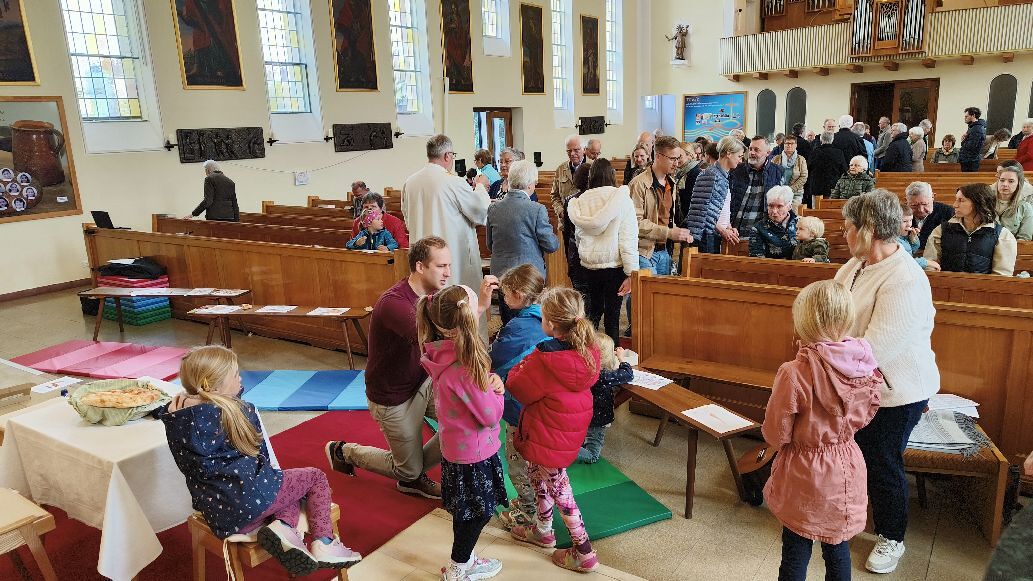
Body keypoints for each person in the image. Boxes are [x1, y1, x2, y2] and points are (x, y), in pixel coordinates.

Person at [157, 346, 361, 576]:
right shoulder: (241, 412)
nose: (240, 378)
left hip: (220, 514)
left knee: (287, 487)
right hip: (252, 501)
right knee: (313, 478)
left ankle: (283, 528)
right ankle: (324, 543)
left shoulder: (175, 419)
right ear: (213, 385)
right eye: (235, 374)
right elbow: (259, 455)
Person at [325, 237, 498, 499]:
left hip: (424, 381)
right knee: (408, 471)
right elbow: (441, 337)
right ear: (420, 266)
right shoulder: (394, 303)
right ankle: (345, 452)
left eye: (449, 265)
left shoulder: (435, 296)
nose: (448, 273)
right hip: (393, 397)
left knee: (468, 420)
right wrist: (480, 307)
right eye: (441, 266)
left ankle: (417, 472)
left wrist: (479, 307)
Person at [833, 189, 940, 574]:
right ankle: (851, 514)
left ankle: (892, 537)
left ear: (869, 229)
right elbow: (833, 310)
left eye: (849, 227)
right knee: (853, 454)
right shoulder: (855, 265)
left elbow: (875, 349)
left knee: (882, 460)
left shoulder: (905, 278)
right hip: (854, 384)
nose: (844, 233)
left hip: (897, 391)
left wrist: (823, 360)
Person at [763, 280, 882, 581]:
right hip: (847, 464)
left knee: (796, 548)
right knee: (837, 546)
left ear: (803, 321)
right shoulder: (863, 365)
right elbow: (868, 412)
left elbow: (777, 432)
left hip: (806, 471)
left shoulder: (795, 372)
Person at [507, 288, 601, 573]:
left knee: (561, 490)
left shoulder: (546, 358)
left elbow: (517, 386)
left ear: (549, 323)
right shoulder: (588, 349)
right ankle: (543, 529)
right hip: (566, 428)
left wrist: (520, 367)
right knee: (539, 476)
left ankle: (583, 550)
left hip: (547, 431)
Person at [416, 284, 506, 581]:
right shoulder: (466, 367)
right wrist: (498, 389)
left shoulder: (440, 353)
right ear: (467, 320)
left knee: (465, 511)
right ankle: (459, 567)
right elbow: (490, 414)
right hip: (475, 455)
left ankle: (465, 559)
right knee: (479, 513)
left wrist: (487, 379)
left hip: (456, 451)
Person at [489, 265, 547, 532]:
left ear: (520, 294)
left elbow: (494, 358)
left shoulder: (518, 326)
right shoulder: (545, 318)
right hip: (541, 405)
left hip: (519, 408)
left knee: (518, 462)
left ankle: (527, 512)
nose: (503, 298)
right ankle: (537, 504)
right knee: (537, 463)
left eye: (506, 293)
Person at [402, 135, 490, 292]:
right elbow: (480, 210)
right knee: (454, 299)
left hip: (423, 258)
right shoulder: (453, 182)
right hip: (450, 256)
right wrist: (480, 187)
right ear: (447, 156)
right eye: (453, 155)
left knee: (428, 299)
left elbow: (408, 221)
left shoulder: (410, 182)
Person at [567, 158, 639, 343]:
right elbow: (628, 239)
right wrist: (632, 274)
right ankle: (612, 356)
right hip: (614, 267)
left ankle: (587, 352)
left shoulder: (581, 201)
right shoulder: (621, 199)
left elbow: (579, 237)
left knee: (593, 314)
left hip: (589, 266)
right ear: (612, 175)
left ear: (591, 177)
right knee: (612, 319)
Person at [485, 160, 558, 323]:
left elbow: (490, 245)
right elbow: (551, 245)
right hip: (528, 278)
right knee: (530, 321)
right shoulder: (537, 209)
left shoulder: (493, 209)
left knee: (508, 321)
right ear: (530, 184)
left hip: (502, 275)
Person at [629, 135, 693, 276]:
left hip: (665, 251)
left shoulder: (671, 183)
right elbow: (635, 223)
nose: (676, 163)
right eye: (672, 159)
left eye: (678, 158)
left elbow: (666, 219)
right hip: (644, 252)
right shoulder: (638, 184)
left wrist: (679, 232)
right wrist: (669, 233)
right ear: (658, 156)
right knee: (647, 291)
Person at [923, 184, 1017, 275]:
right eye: (956, 200)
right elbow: (930, 267)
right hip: (945, 284)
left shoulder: (1002, 235)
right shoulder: (941, 230)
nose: (955, 205)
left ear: (978, 203)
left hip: (984, 285)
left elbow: (1001, 277)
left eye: (961, 200)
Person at [578, 333, 633, 464]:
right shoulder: (603, 376)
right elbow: (628, 374)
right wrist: (621, 358)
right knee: (592, 455)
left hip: (583, 414)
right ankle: (564, 450)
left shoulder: (585, 369)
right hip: (598, 418)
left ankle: (572, 446)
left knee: (584, 436)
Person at [684, 137, 744, 254]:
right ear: (729, 154)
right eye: (739, 156)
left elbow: (721, 208)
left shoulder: (723, 175)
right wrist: (722, 230)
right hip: (706, 236)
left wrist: (728, 227)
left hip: (715, 235)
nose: (740, 161)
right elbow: (701, 211)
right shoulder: (710, 174)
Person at [730, 136, 782, 238]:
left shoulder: (778, 172)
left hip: (759, 233)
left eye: (756, 150)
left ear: (768, 153)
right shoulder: (736, 169)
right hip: (734, 231)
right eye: (750, 149)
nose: (752, 153)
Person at [749, 186, 798, 259]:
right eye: (771, 206)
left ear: (789, 207)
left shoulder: (801, 224)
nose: (774, 211)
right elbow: (757, 258)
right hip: (770, 265)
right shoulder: (758, 228)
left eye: (779, 206)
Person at [906, 181, 954, 252]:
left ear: (933, 197)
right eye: (914, 205)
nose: (921, 210)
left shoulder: (949, 213)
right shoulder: (900, 213)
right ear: (906, 201)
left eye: (925, 204)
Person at [806, 131, 848, 204]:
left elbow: (808, 168)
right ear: (832, 139)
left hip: (817, 187)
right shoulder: (838, 153)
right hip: (833, 186)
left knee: (816, 208)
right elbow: (844, 170)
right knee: (831, 208)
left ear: (821, 139)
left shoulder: (815, 152)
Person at [994, 164, 1033, 240]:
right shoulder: (985, 202)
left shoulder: (1025, 207)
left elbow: (1024, 238)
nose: (1005, 184)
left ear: (1018, 184)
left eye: (1011, 181)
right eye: (1002, 180)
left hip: (1013, 246)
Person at [770, 135, 808, 207]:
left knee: (793, 210)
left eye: (792, 143)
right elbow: (771, 175)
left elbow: (804, 177)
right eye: (787, 143)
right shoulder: (776, 159)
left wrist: (790, 189)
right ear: (784, 145)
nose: (789, 145)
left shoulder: (801, 159)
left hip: (795, 193)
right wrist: (779, 189)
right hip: (779, 192)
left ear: (796, 145)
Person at [551, 135, 587, 202]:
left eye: (576, 150)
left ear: (584, 150)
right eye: (569, 151)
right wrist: (559, 208)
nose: (572, 153)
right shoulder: (560, 169)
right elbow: (555, 195)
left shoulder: (592, 168)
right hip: (564, 208)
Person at [899, 203, 929, 269]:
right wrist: (926, 262)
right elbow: (905, 262)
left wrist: (913, 239)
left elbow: (912, 251)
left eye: (910, 220)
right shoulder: (895, 241)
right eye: (904, 221)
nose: (909, 224)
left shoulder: (904, 238)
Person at [959, 107, 987, 172]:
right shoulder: (973, 127)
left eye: (966, 116)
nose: (965, 118)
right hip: (969, 160)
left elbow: (971, 147)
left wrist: (963, 141)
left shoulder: (977, 129)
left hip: (970, 161)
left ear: (973, 115)